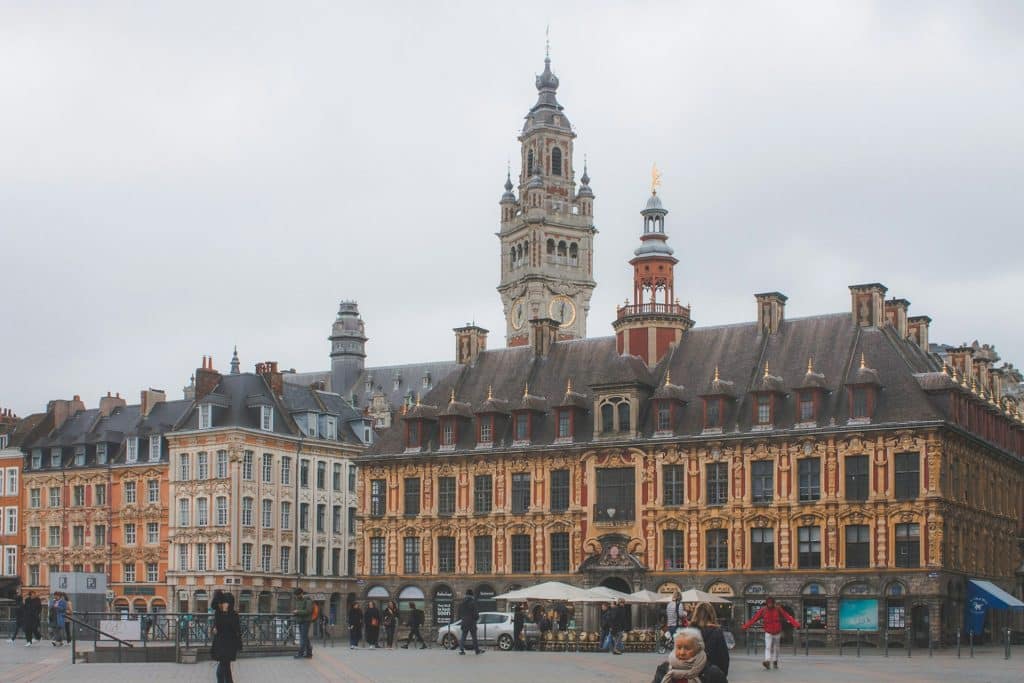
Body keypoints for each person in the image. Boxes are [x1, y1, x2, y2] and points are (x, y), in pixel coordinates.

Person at [741, 596, 799, 670]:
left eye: (771, 603)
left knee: (776, 648)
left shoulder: (778, 609)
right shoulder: (763, 610)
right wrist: (745, 626)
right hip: (768, 632)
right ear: (767, 603)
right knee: (768, 647)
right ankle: (767, 661)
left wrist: (796, 624)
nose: (770, 605)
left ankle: (775, 661)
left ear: (773, 603)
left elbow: (787, 616)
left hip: (777, 632)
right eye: (769, 603)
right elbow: (754, 619)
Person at [652, 628, 727, 683]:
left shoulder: (712, 673)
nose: (682, 652)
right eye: (679, 647)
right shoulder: (663, 670)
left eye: (687, 648)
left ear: (698, 649)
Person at [690, 602, 729, 676]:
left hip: (692, 676)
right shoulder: (717, 632)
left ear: (696, 614)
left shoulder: (689, 632)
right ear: (712, 615)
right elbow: (724, 660)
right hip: (711, 676)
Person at [211, 593, 242, 683]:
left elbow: (237, 630)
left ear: (230, 603)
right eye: (223, 602)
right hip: (220, 644)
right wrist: (214, 629)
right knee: (226, 669)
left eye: (226, 602)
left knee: (221, 671)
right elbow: (216, 626)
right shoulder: (218, 613)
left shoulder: (234, 615)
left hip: (229, 645)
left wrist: (239, 645)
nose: (224, 604)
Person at [457, 588, 481, 655]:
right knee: (474, 637)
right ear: (471, 595)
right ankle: (477, 650)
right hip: (472, 622)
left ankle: (461, 650)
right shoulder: (472, 602)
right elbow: (475, 613)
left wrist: (463, 618)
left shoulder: (462, 603)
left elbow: (459, 612)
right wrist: (476, 618)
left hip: (464, 621)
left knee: (463, 636)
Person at [292, 587, 314, 659]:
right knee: (305, 637)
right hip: (300, 620)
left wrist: (298, 612)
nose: (296, 596)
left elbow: (308, 611)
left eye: (297, 595)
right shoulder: (297, 600)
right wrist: (295, 613)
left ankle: (300, 653)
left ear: (301, 593)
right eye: (295, 595)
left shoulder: (307, 600)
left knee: (303, 637)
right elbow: (298, 609)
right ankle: (309, 653)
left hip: (306, 621)